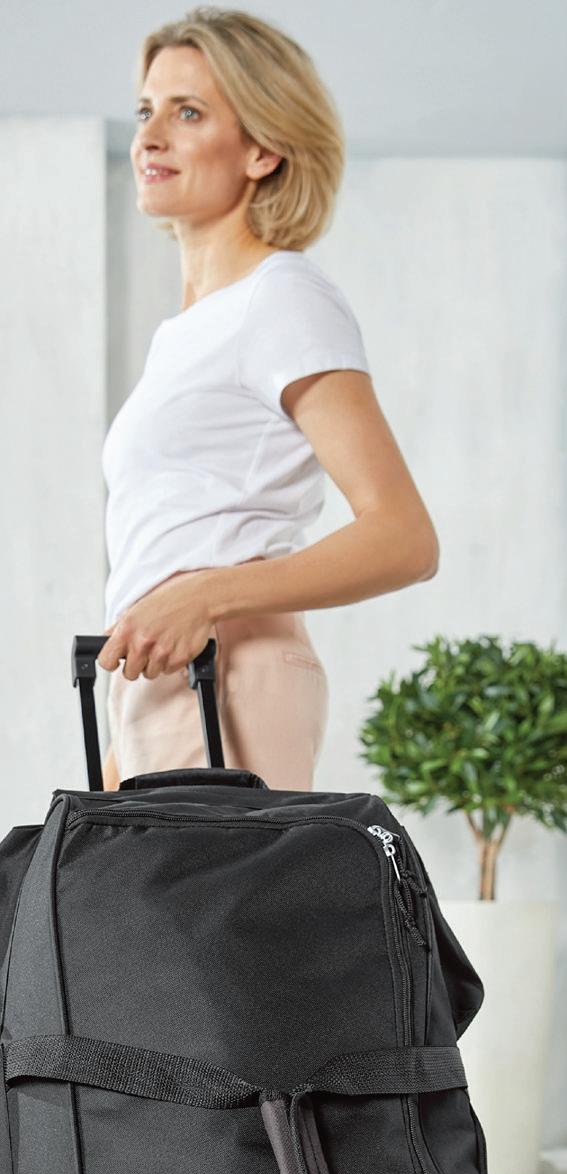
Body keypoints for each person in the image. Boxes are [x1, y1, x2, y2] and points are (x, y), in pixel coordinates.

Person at [98, 9, 439, 792]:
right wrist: (123, 744)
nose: (150, 137)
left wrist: (204, 596)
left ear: (261, 149)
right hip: (168, 682)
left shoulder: (281, 298)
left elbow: (404, 537)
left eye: (188, 113)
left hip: (225, 673)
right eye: (146, 111)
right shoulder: (187, 332)